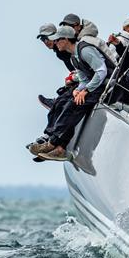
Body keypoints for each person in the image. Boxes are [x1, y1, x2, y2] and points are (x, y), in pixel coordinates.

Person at [37, 25, 112, 161]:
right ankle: (59, 148)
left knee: (72, 107)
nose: (55, 43)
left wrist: (86, 90)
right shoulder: (73, 57)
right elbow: (83, 79)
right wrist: (78, 90)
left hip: (107, 85)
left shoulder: (85, 50)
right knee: (65, 102)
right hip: (95, 85)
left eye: (57, 40)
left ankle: (53, 143)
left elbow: (101, 71)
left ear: (66, 39)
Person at [28, 24, 80, 159]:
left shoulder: (64, 49)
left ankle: (51, 139)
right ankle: (49, 138)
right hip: (81, 79)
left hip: (86, 82)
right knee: (62, 100)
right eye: (42, 40)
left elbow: (85, 68)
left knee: (64, 103)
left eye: (47, 38)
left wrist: (74, 78)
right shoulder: (59, 51)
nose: (45, 42)